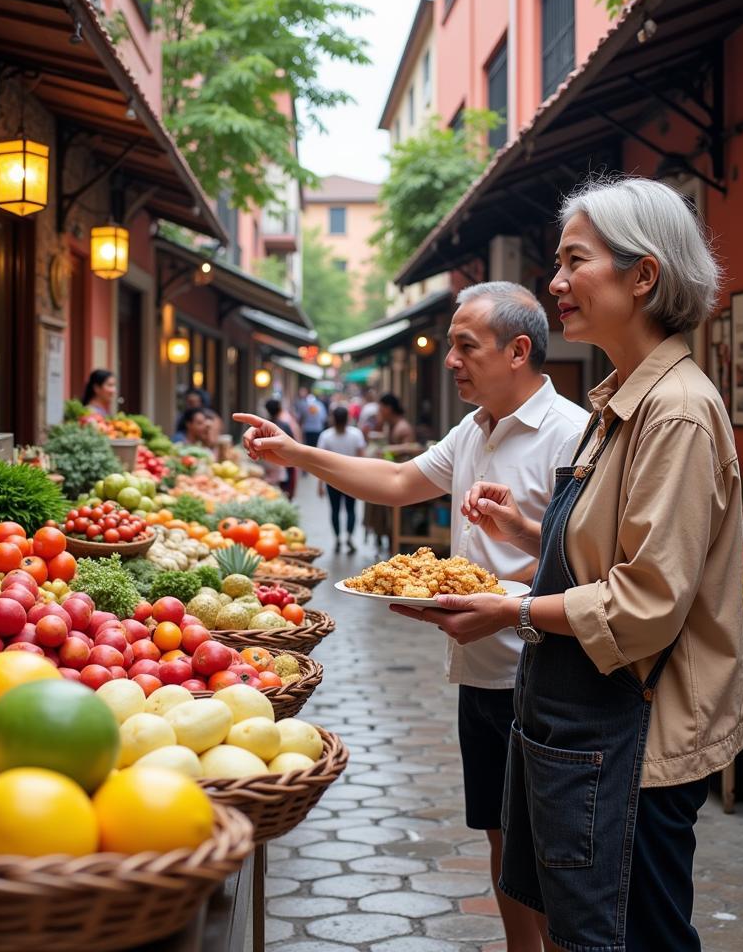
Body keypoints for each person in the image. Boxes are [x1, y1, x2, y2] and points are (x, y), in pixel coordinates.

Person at [401, 178, 743, 952]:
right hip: (586, 721)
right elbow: (608, 553)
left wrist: (507, 610)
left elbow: (646, 601)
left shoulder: (678, 412)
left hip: (641, 737)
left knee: (633, 936)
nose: (554, 282)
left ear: (644, 275)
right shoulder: (617, 402)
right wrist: (531, 530)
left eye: (574, 261)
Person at [234, 281, 589, 951]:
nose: (451, 360)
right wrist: (298, 454)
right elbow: (400, 483)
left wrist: (512, 560)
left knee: (550, 855)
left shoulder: (570, 434)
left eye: (465, 346)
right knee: (500, 835)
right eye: (450, 346)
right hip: (479, 671)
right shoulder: (476, 426)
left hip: (540, 671)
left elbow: (587, 560)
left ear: (518, 351)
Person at [316, 406, 366, 552]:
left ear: (333, 419)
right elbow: (362, 458)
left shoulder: (326, 436)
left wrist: (320, 484)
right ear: (348, 419)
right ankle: (349, 537)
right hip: (353, 479)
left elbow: (320, 461)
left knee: (335, 510)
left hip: (332, 480)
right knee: (351, 509)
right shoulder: (356, 434)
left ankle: (337, 538)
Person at [264, 398, 299, 498]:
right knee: (284, 493)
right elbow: (292, 444)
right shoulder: (284, 426)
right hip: (284, 463)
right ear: (279, 410)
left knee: (269, 494)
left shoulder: (263, 426)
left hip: (268, 465)